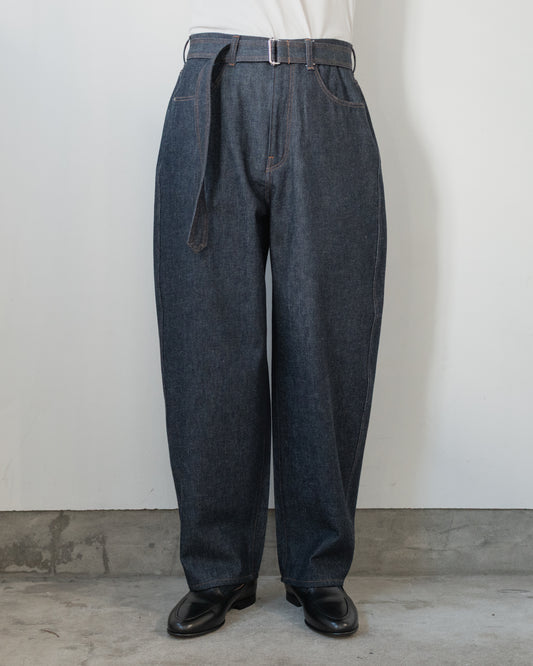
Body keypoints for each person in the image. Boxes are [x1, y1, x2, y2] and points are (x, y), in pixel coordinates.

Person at [153, 0, 387, 638]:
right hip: (212, 85)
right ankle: (217, 570)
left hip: (323, 87)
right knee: (207, 345)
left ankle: (318, 568)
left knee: (326, 339)